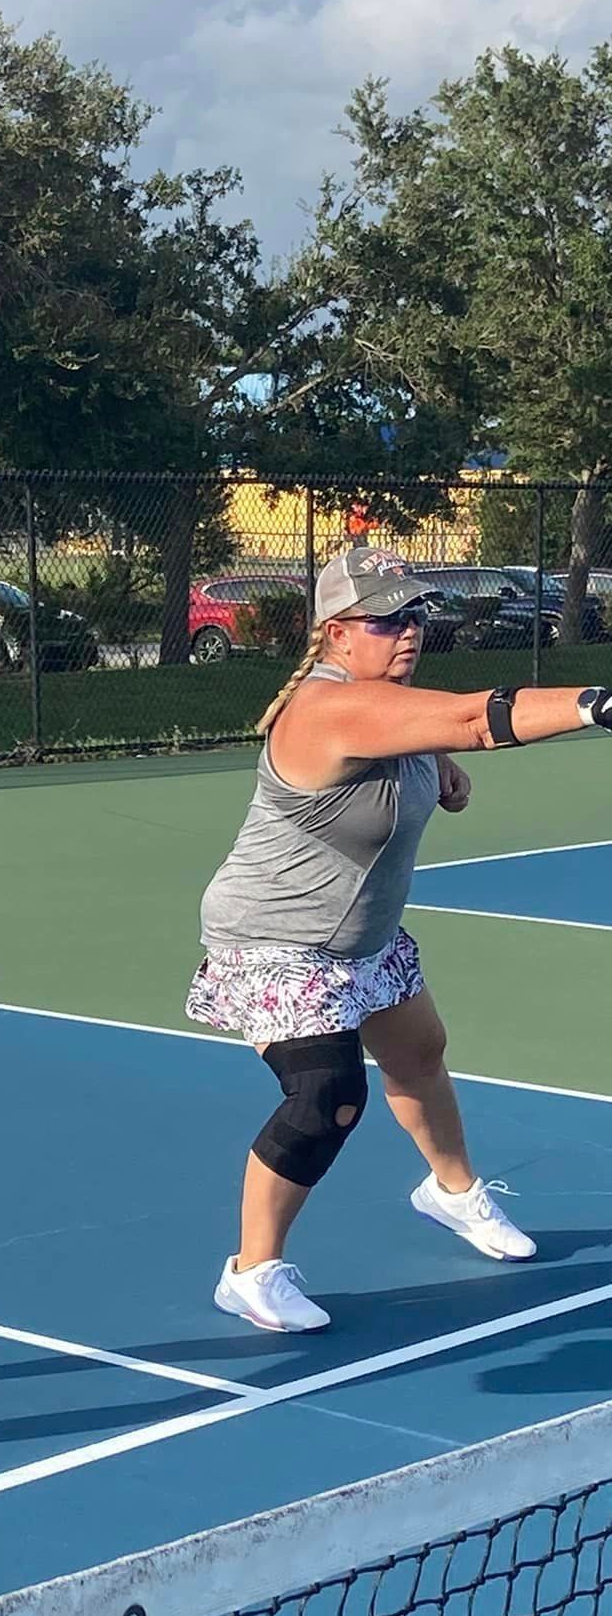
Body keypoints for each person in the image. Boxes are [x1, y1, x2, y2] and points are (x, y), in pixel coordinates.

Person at [187, 547, 612, 1333]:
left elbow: (428, 736)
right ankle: (251, 1271)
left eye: (415, 613)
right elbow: (471, 718)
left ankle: (452, 1194)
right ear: (337, 634)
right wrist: (596, 703)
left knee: (419, 1055)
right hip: (276, 939)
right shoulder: (326, 708)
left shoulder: (390, 704)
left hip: (364, 936)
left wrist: (439, 765)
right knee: (326, 1095)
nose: (408, 629)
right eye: (385, 619)